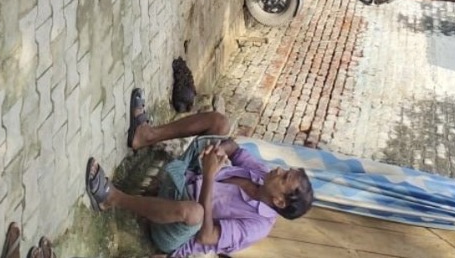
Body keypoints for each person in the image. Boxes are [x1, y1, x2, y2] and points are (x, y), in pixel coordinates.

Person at [86, 102, 313, 253]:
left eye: (284, 178)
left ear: (279, 202)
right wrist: (221, 149)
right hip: (186, 178)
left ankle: (112, 198)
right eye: (286, 170)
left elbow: (206, 237)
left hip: (175, 227)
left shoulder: (258, 226)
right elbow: (235, 149)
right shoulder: (263, 176)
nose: (278, 170)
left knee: (195, 212)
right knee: (220, 124)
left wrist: (209, 175)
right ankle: (145, 135)